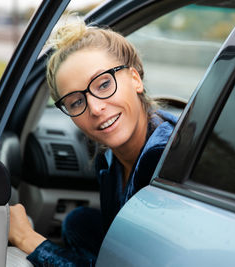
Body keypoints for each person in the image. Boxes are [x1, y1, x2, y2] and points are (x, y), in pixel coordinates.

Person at [9, 19, 178, 266]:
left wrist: (27, 238)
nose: (96, 108)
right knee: (78, 222)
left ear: (135, 79)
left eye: (104, 84)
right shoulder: (108, 157)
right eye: (76, 102)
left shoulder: (162, 161)